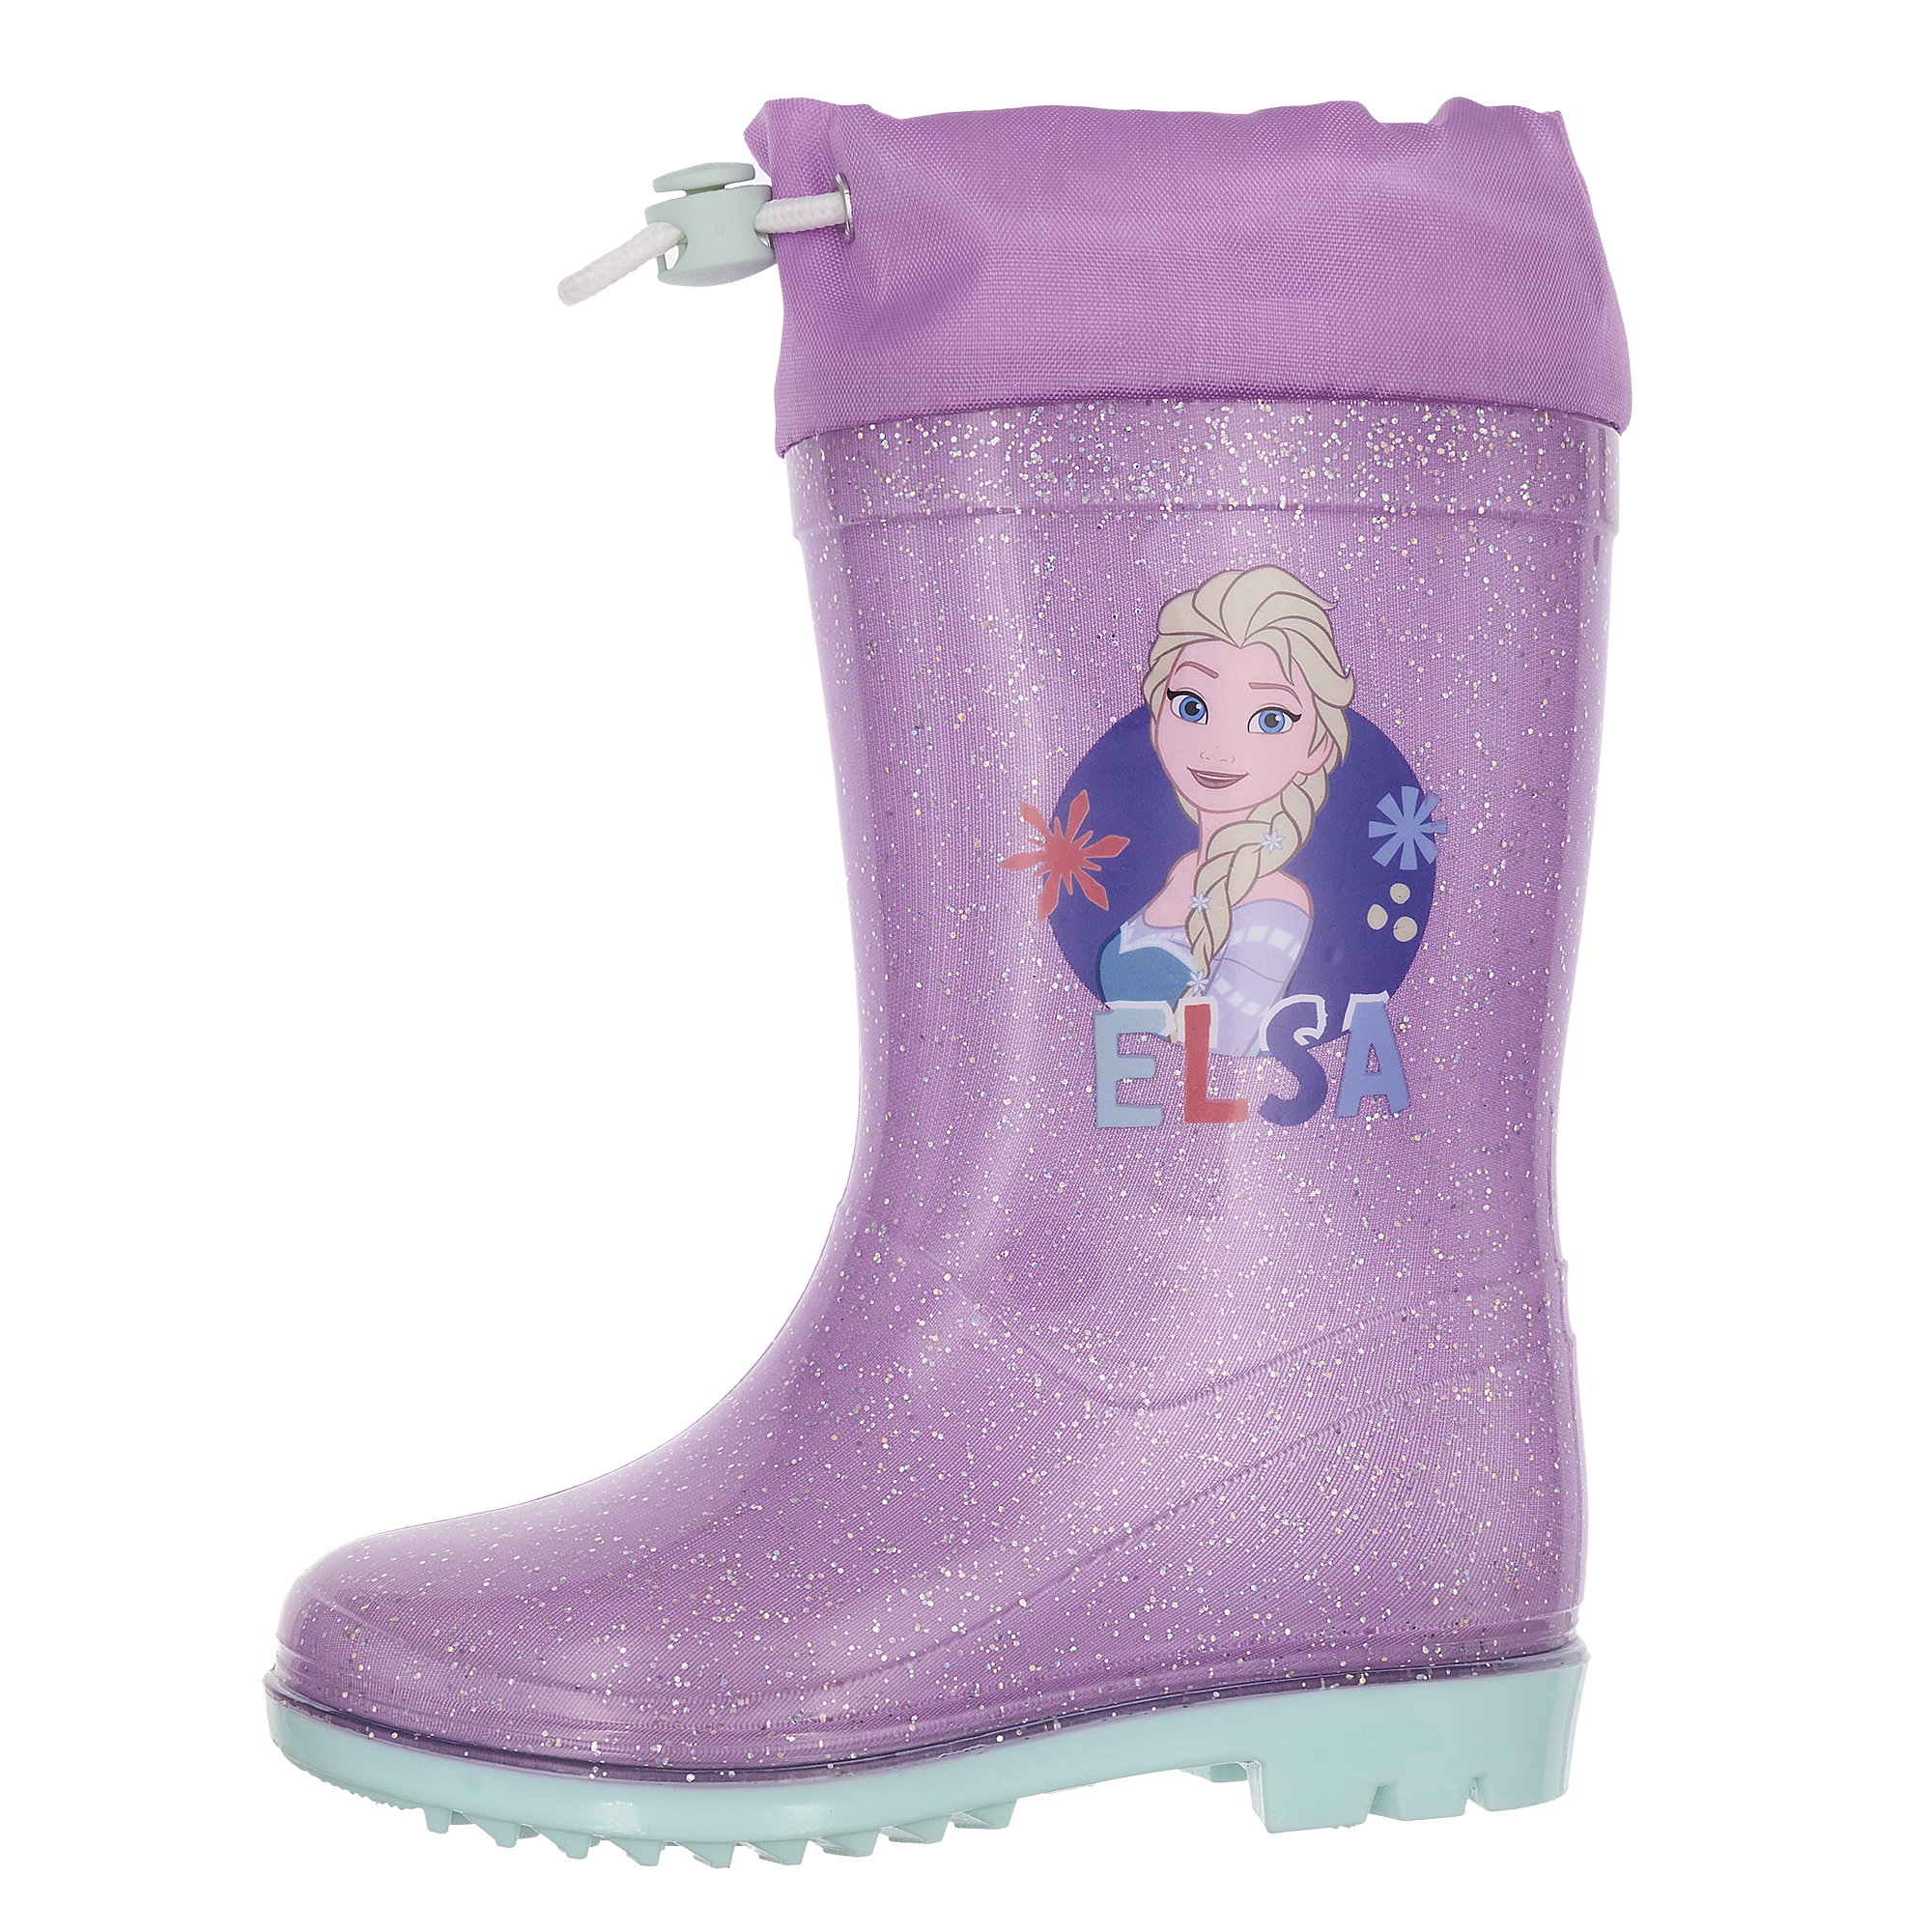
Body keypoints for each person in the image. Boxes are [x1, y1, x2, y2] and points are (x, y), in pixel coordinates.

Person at [1098, 566, 1354, 1055]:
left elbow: (1221, 1057)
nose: (1218, 749)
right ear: (1155, 721)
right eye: (1192, 707)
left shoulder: (1276, 908)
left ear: (1317, 745)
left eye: (1270, 718)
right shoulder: (1183, 872)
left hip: (1204, 1104)